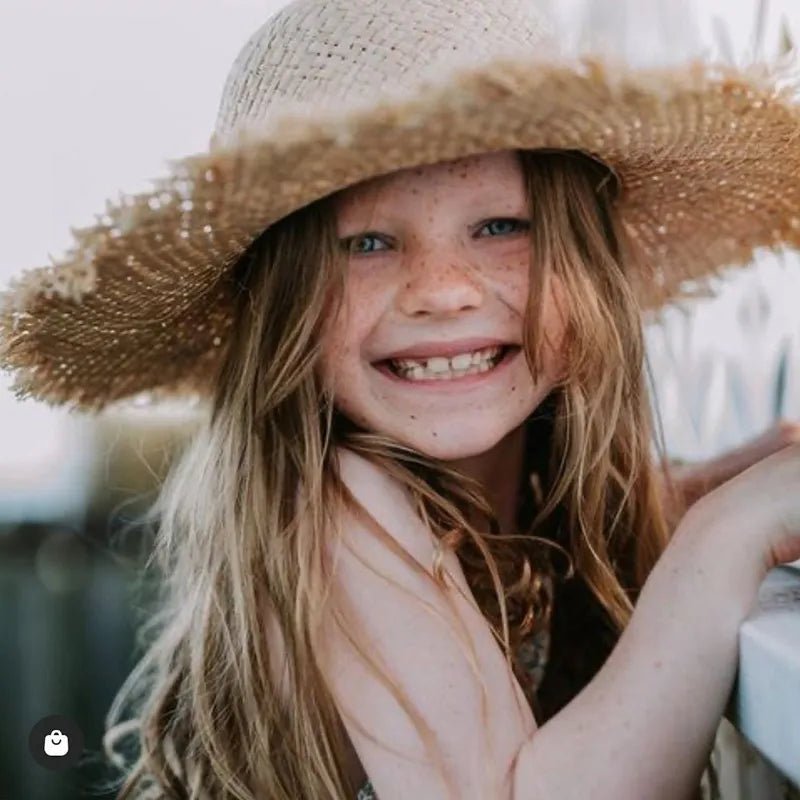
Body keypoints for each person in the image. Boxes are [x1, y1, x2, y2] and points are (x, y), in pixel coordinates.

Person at [1, 1, 799, 798]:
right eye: (369, 244)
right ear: (285, 309)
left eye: (500, 226)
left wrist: (700, 491)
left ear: (584, 267)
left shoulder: (513, 500)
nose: (442, 292)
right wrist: (726, 535)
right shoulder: (330, 509)